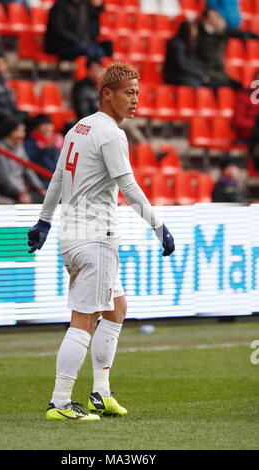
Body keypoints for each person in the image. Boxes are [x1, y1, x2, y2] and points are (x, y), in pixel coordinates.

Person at [27, 62, 175, 421]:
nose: (135, 99)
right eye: (128, 92)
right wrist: (159, 225)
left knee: (116, 309)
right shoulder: (110, 133)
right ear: (106, 94)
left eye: (138, 92)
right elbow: (128, 187)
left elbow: (59, 178)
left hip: (73, 236)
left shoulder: (78, 128)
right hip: (97, 238)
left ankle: (100, 394)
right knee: (84, 319)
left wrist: (44, 222)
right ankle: (60, 403)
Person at [0, 117, 46, 204]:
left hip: (19, 192)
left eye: (23, 131)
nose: (22, 135)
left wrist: (40, 188)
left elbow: (28, 169)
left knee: (47, 200)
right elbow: (3, 178)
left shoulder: (20, 147)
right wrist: (19, 193)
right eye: (18, 131)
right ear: (9, 131)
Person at [197, 8, 259, 89]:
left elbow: (242, 34)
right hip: (206, 73)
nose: (214, 20)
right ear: (204, 19)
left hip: (220, 72)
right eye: (211, 17)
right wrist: (207, 32)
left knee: (240, 89)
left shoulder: (222, 32)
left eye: (215, 17)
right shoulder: (199, 34)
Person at [163, 21, 212, 88]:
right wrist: (199, 75)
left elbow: (195, 62)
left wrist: (202, 74)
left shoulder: (192, 44)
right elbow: (181, 65)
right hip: (176, 75)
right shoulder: (176, 44)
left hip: (187, 74)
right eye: (193, 30)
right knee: (196, 84)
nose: (195, 33)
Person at [25, 114, 63, 188]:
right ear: (36, 127)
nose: (48, 128)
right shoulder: (31, 142)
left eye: (49, 124)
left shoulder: (59, 139)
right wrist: (46, 149)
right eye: (44, 125)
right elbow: (33, 161)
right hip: (43, 181)